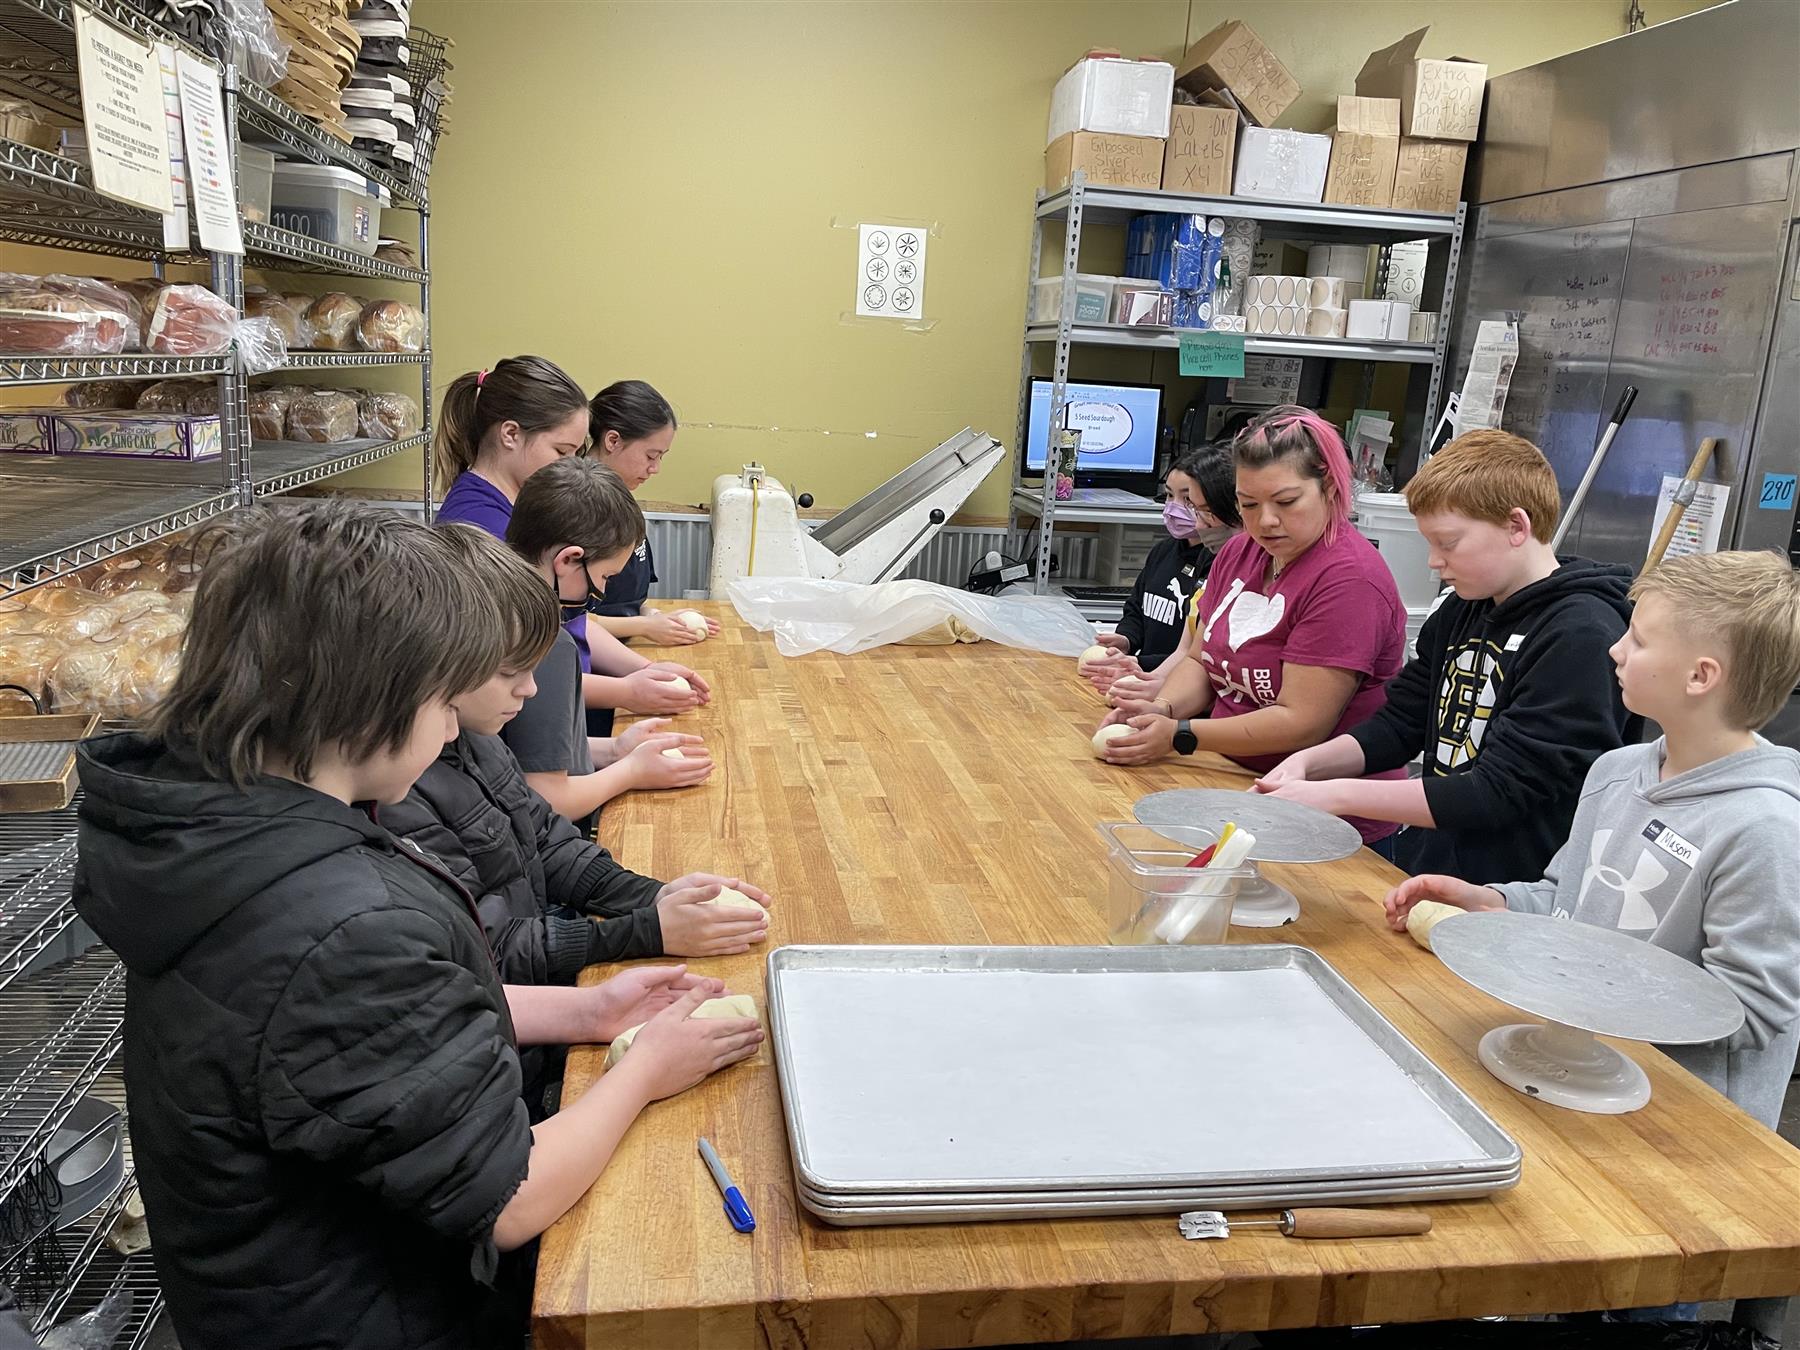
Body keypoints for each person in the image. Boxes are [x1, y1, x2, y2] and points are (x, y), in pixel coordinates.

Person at [70, 502, 761, 1350]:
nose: (449, 726)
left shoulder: (226, 831)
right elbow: (505, 1198)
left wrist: (591, 1012)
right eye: (442, 694)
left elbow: (370, 1047)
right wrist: (645, 1069)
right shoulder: (335, 923)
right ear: (374, 694)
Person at [1385, 550, 1800, 1130]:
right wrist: (1493, 905)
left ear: (1700, 676)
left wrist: (1601, 994)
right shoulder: (1615, 771)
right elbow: (1567, 902)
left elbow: (1750, 1012)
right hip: (1572, 1074)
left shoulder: (1766, 829)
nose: (1615, 649)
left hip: (1679, 1125)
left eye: (1638, 639)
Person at [388, 523, 770, 990]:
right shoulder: (400, 792)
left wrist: (655, 897)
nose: (530, 689)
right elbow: (492, 952)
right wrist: (645, 931)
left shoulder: (478, 739)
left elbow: (549, 842)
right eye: (511, 672)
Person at [1255, 430, 1639, 882]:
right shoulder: (1462, 609)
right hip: (1433, 868)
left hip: (1517, 891)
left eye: (1448, 543)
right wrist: (1309, 763)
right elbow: (1400, 724)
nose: (1433, 562)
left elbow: (1499, 790)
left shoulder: (1581, 635)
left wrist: (1336, 795)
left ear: (1517, 526)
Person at [1099, 405, 1407, 851]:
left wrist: (1182, 734)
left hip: (1326, 820)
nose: (1265, 521)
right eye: (1248, 504)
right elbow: (1201, 659)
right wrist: (1162, 710)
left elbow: (1302, 722)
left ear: (1330, 488)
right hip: (1231, 780)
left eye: (1286, 502)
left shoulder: (1348, 580)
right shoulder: (1242, 552)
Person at [432, 355, 704, 720]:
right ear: (511, 434)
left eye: (575, 453)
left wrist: (641, 670)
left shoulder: (528, 501)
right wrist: (626, 691)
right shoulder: (477, 526)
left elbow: (574, 622)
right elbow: (509, 673)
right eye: (562, 452)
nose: (569, 465)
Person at [503, 456, 713, 825]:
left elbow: (519, 757)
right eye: (605, 576)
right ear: (568, 560)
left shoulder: (501, 603)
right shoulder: (547, 645)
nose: (602, 591)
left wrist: (616, 749)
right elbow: (546, 799)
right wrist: (630, 773)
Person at [1086, 443, 1240, 704]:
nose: (1197, 521)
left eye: (1192, 503)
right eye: (1169, 496)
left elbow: (1214, 665)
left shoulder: (1227, 566)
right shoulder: (1185, 555)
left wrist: (1151, 680)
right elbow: (1189, 651)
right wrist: (1151, 682)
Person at [586, 379, 720, 645]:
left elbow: (623, 601)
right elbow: (564, 620)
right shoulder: (576, 507)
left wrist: (655, 617)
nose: (655, 468)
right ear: (613, 440)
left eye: (661, 457)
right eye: (650, 456)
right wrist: (645, 626)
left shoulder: (622, 497)